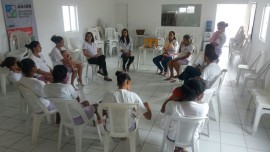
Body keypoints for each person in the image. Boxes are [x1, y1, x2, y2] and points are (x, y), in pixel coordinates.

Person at [164, 79, 208, 152]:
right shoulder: (204, 107)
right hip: (192, 138)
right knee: (186, 129)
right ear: (198, 95)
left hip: (173, 137)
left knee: (176, 128)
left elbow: (164, 124)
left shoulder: (171, 105)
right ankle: (182, 148)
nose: (203, 95)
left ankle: (178, 148)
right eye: (203, 93)